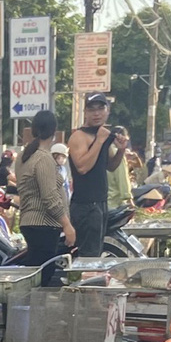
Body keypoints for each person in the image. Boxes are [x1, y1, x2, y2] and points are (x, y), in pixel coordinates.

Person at [66, 91, 126, 256]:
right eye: (92, 109)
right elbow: (82, 167)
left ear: (107, 111)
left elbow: (110, 166)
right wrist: (99, 141)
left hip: (101, 203)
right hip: (85, 205)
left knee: (96, 253)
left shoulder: (104, 136)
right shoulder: (79, 136)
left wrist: (121, 151)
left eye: (101, 108)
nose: (97, 113)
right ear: (85, 112)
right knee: (88, 256)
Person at [13, 108, 76, 264]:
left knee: (35, 272)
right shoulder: (43, 158)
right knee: (43, 277)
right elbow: (49, 197)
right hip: (44, 224)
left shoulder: (23, 156)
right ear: (53, 131)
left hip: (28, 222)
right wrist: (67, 225)